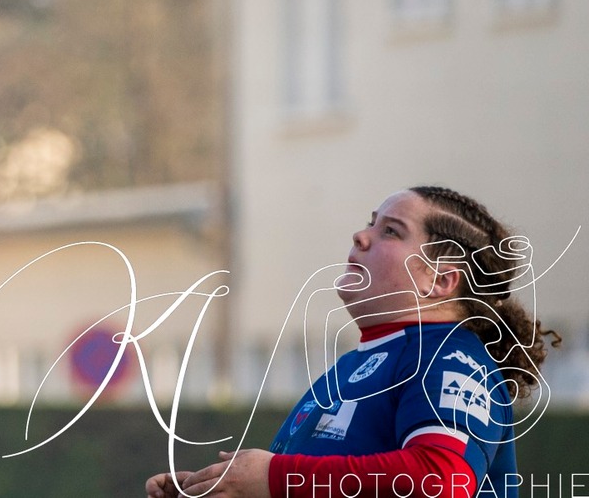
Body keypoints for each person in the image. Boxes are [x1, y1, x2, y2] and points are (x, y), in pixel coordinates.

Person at [144, 186, 551, 498]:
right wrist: (220, 487)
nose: (360, 236)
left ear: (440, 281)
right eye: (371, 222)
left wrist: (273, 477)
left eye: (391, 231)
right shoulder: (358, 364)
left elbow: (442, 479)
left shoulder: (452, 356)